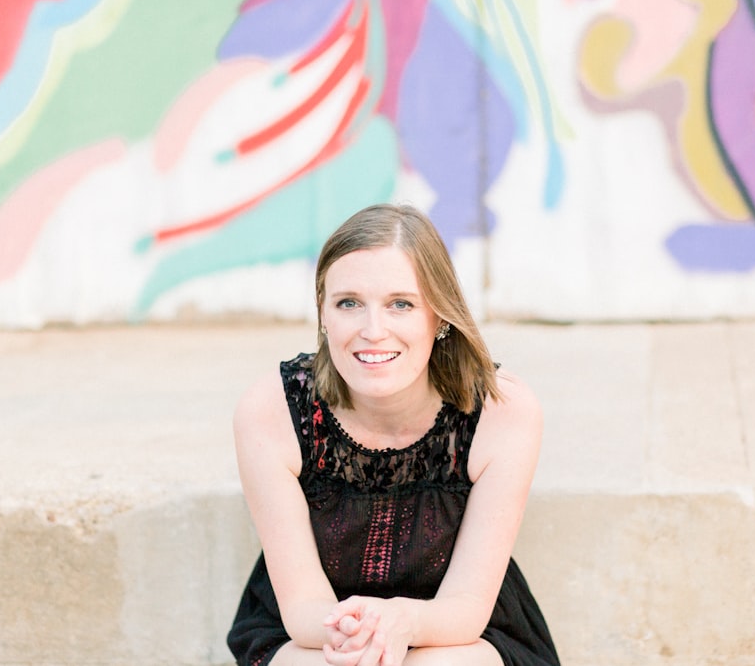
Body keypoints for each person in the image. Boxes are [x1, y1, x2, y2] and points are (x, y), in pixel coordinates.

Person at [227, 204, 559, 665]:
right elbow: (303, 607)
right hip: (321, 633)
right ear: (323, 313)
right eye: (349, 303)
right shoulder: (273, 411)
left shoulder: (502, 411)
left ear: (439, 316)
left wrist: (402, 623)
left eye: (401, 304)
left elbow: (465, 610)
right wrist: (364, 637)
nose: (373, 331)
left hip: (454, 632)